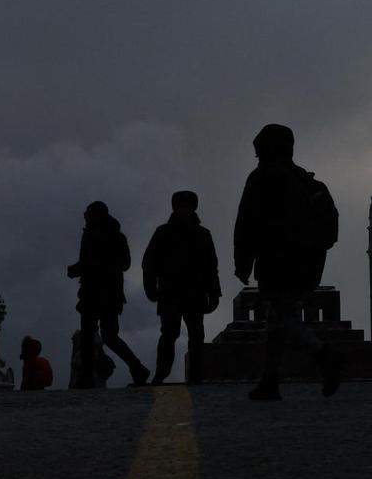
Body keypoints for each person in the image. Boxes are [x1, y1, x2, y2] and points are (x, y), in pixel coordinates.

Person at [234, 124, 343, 401]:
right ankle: (269, 381)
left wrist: (242, 263)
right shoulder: (304, 179)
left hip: (277, 259)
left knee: (283, 316)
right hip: (308, 261)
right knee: (277, 319)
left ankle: (322, 354)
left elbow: (246, 223)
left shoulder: (262, 177)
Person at [67, 201, 150, 388]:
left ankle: (135, 368)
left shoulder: (107, 236)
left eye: (87, 214)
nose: (85, 217)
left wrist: (82, 268)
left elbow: (121, 263)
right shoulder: (107, 235)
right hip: (102, 293)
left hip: (102, 292)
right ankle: (132, 369)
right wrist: (80, 268)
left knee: (102, 335)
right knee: (98, 335)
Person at [142, 190, 222, 385]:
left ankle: (196, 375)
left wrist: (214, 293)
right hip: (170, 292)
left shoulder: (203, 234)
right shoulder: (163, 232)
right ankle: (161, 373)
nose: (184, 209)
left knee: (196, 335)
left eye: (187, 205)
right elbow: (149, 263)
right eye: (181, 205)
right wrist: (151, 288)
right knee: (169, 334)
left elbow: (211, 266)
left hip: (194, 293)